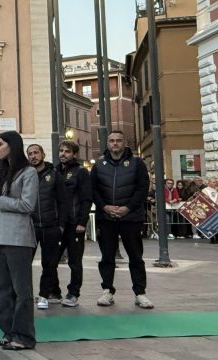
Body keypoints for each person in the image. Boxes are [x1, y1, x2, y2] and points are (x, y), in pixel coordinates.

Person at [0, 131, 40, 350]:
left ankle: (23, 336)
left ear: (12, 146)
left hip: (18, 238)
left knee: (22, 290)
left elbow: (27, 205)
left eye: (0, 144)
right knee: (2, 290)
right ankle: (8, 333)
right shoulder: (0, 171)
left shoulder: (28, 172)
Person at [90, 130, 154, 309]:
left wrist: (128, 208)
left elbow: (142, 188)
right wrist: (104, 206)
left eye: (118, 140)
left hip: (131, 217)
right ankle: (107, 291)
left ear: (124, 143)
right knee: (107, 256)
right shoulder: (99, 164)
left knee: (136, 256)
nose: (115, 143)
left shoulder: (137, 163)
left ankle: (140, 293)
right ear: (108, 143)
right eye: (112, 141)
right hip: (106, 217)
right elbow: (93, 189)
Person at [26, 144, 68, 310]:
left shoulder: (54, 174)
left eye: (36, 152)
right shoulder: (25, 175)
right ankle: (25, 295)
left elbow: (63, 201)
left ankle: (44, 295)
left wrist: (61, 225)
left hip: (51, 226)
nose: (33, 156)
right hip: (30, 226)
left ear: (43, 154)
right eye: (30, 153)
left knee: (49, 264)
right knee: (24, 263)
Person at [56, 140, 91, 308]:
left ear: (75, 154)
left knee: (74, 261)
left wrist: (82, 222)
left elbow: (86, 198)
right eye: (61, 150)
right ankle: (53, 291)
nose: (63, 154)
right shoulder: (55, 171)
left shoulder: (81, 172)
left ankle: (73, 293)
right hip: (58, 224)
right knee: (51, 259)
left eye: (67, 151)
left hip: (74, 223)